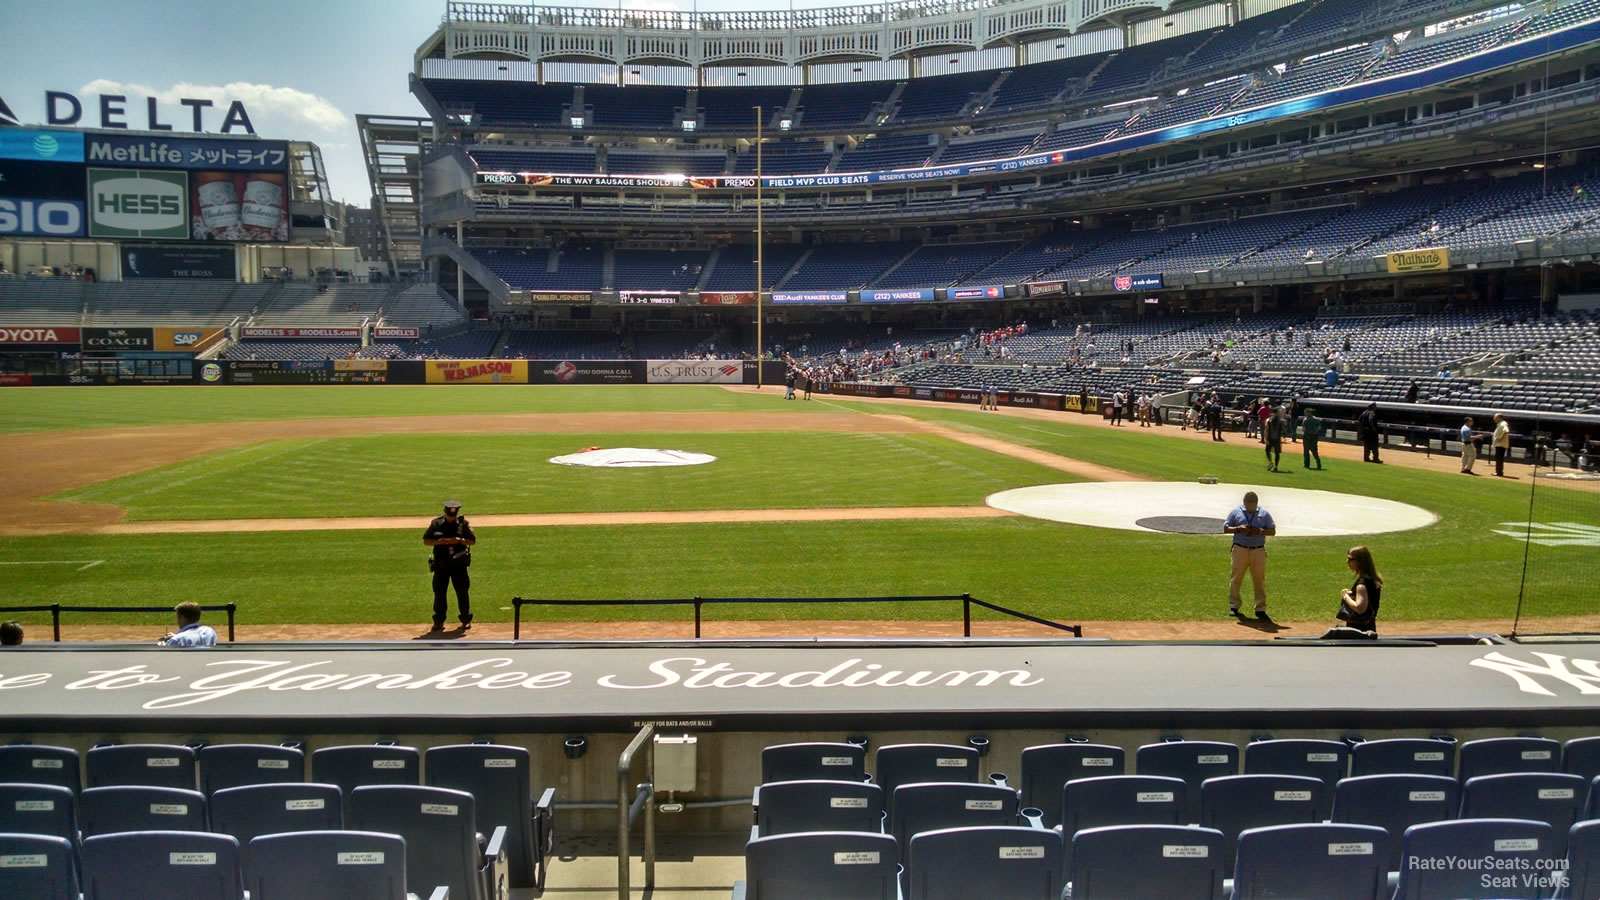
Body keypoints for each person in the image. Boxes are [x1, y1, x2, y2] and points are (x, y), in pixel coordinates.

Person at [424, 500, 477, 632]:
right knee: (439, 593)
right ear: (444, 512)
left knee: (462, 592)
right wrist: (439, 542)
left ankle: (465, 620)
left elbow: (472, 541)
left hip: (458, 565)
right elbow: (426, 540)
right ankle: (439, 621)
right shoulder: (436, 524)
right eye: (449, 514)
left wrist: (459, 540)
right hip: (441, 565)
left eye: (453, 515)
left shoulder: (462, 524)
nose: (451, 517)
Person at [1223, 491, 1276, 620]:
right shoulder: (1236, 512)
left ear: (1256, 503)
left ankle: (1260, 609)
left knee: (1259, 579)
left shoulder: (1264, 514)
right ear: (1244, 502)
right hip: (1240, 549)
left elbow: (1272, 531)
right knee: (1236, 578)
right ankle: (1234, 606)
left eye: (1252, 505)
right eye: (1247, 505)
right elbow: (1225, 528)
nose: (1249, 507)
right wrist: (1239, 529)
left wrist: (1259, 531)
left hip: (1258, 551)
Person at [1325, 545, 1382, 639]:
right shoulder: (1371, 580)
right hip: (1369, 629)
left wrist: (1345, 596)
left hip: (1358, 632)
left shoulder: (1362, 584)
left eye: (1351, 559)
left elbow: (1360, 608)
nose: (1347, 562)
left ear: (1361, 562)